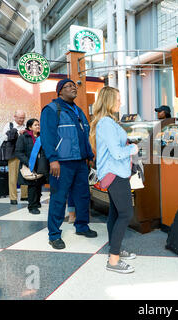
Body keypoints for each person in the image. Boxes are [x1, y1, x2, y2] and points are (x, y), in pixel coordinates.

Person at [40, 78, 97, 250]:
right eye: (69, 86)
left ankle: (82, 226)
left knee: (82, 196)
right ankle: (54, 235)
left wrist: (90, 155)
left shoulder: (78, 111)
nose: (73, 88)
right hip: (62, 163)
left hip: (80, 163)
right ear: (60, 91)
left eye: (74, 86)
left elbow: (84, 136)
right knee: (58, 198)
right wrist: (53, 159)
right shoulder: (51, 109)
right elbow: (47, 136)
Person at [89, 86, 139, 274]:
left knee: (116, 213)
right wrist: (132, 149)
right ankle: (113, 260)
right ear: (108, 101)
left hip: (114, 173)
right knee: (126, 214)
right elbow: (117, 153)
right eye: (118, 99)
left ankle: (114, 249)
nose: (120, 103)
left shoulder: (107, 122)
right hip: (115, 174)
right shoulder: (107, 124)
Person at [14, 119, 47, 215]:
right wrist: (28, 162)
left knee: (39, 184)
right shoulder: (24, 137)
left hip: (40, 164)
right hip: (29, 164)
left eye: (38, 125)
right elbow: (18, 152)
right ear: (30, 127)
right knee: (32, 185)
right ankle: (32, 206)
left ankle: (37, 202)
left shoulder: (41, 137)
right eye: (35, 125)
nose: (38, 126)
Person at [1, 110, 28, 205]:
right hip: (12, 153)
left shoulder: (26, 126)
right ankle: (13, 198)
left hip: (24, 153)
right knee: (12, 176)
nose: (21, 120)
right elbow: (4, 138)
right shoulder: (9, 125)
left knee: (25, 173)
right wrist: (17, 133)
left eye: (23, 118)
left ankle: (25, 195)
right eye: (20, 118)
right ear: (15, 117)